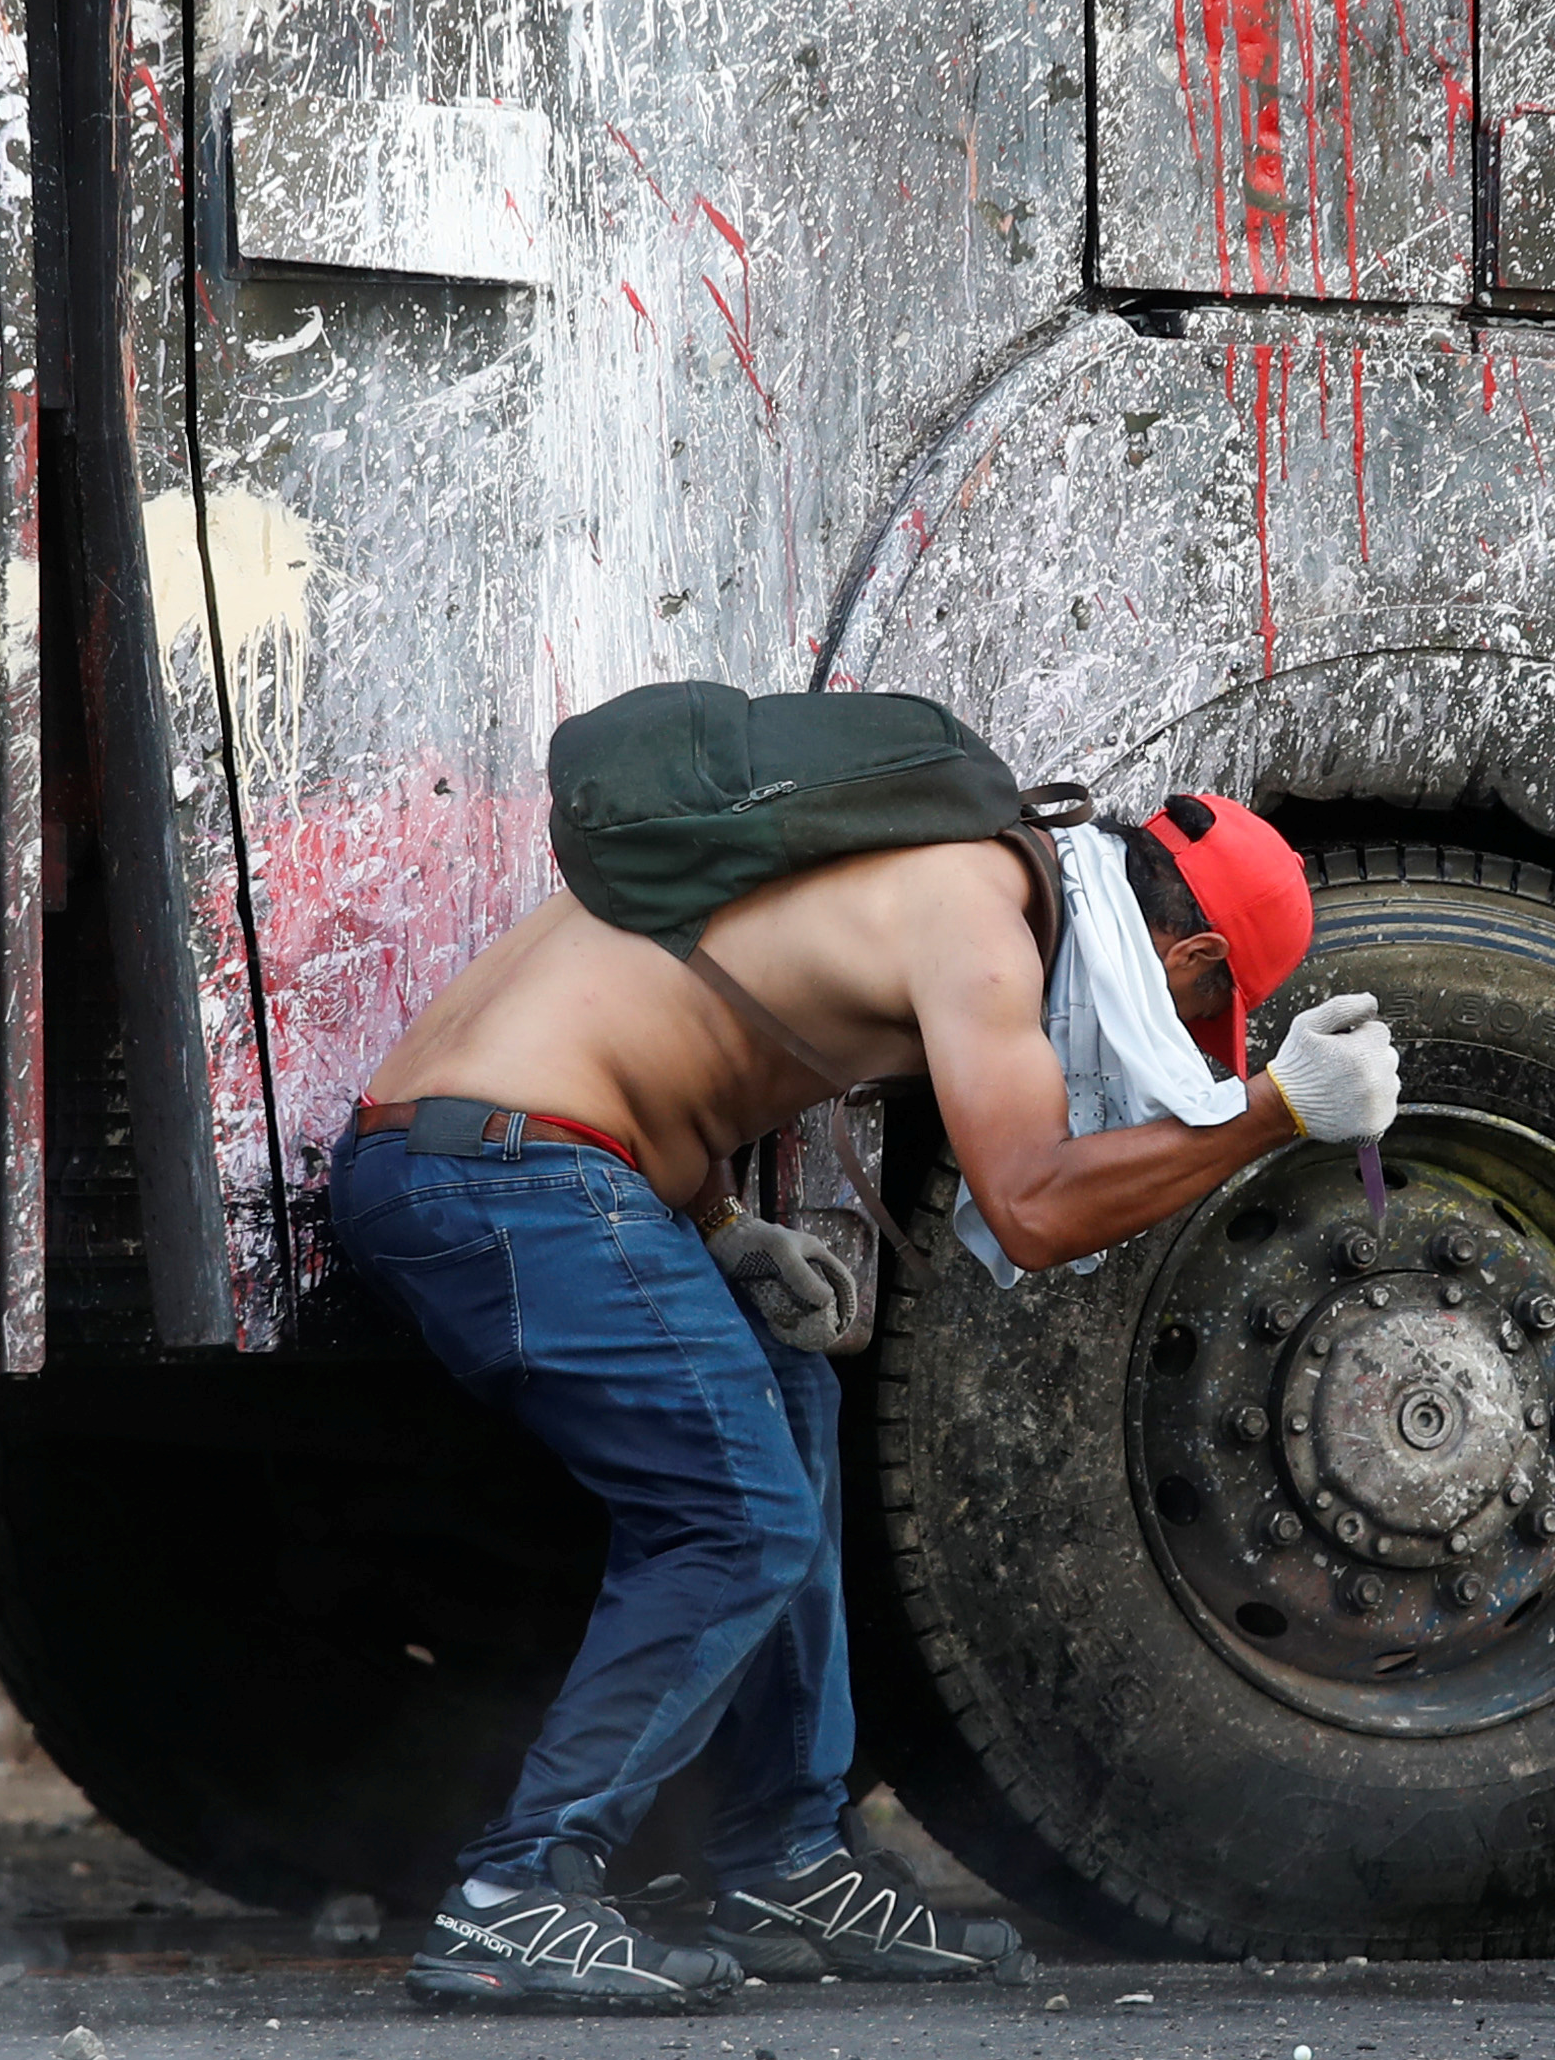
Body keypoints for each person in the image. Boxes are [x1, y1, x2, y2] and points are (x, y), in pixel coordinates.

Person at [331, 789, 1399, 2011]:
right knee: (737, 1517)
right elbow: (1036, 1206)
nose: (1182, 1035)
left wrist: (724, 1225)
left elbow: (684, 1016)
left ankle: (779, 1856)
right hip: (498, 1169)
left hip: (491, 1147)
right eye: (1201, 1012)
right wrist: (1273, 1109)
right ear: (1192, 953)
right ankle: (512, 1895)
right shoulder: (983, 918)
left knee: (789, 1395)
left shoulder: (938, 858)